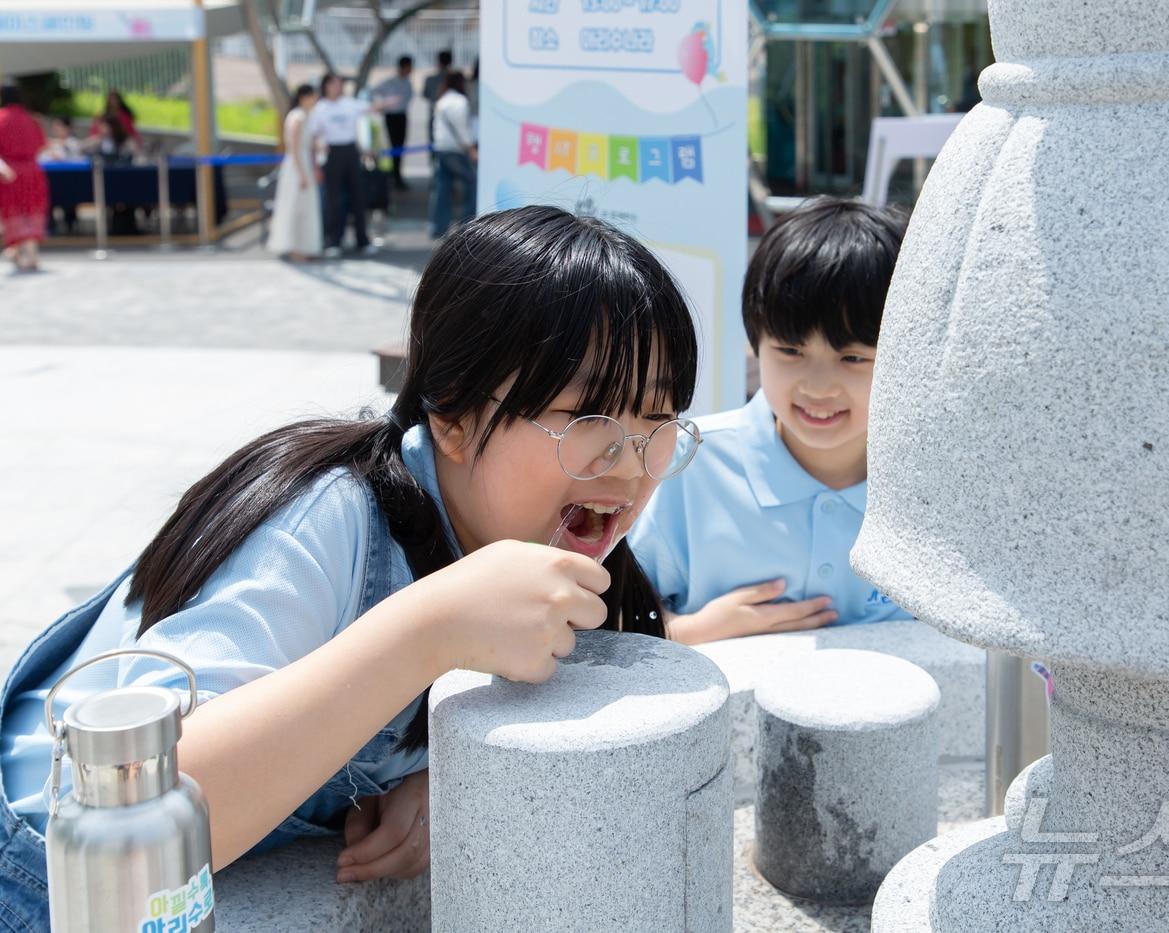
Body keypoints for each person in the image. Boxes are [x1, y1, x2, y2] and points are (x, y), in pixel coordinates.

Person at [0, 205, 703, 925]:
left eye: (657, 419)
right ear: (453, 418)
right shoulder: (329, 515)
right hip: (38, 881)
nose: (629, 460)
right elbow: (135, 816)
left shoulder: (544, 528)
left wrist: (448, 775)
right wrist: (430, 627)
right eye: (588, 416)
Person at [629, 197, 910, 645]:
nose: (819, 387)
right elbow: (609, 622)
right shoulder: (685, 464)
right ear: (756, 342)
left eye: (853, 357)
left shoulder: (931, 484)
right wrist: (686, 630)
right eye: (791, 351)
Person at [308, 73, 396, 258]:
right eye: (333, 84)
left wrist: (387, 102)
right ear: (325, 86)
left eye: (339, 84)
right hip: (332, 153)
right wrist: (316, 160)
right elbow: (314, 136)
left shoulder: (350, 103)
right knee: (333, 199)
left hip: (351, 151)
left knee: (358, 196)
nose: (337, 87)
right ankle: (333, 241)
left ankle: (362, 239)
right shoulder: (320, 108)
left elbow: (371, 108)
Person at [267, 84, 322, 261]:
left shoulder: (305, 116)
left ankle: (304, 246)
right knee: (295, 206)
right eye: (313, 96)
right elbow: (295, 148)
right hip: (297, 166)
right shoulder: (297, 117)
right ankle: (294, 247)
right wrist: (302, 174)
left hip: (303, 164)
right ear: (304, 97)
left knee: (305, 207)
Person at [0, 85, 51, 272]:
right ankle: (26, 252)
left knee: (14, 212)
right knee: (31, 211)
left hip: (10, 173)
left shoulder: (1, 117)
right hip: (33, 171)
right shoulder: (31, 119)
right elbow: (42, 146)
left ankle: (27, 254)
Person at [430, 70, 476, 239]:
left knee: (442, 189)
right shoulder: (460, 102)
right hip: (456, 151)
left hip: (441, 148)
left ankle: (438, 227)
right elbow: (462, 129)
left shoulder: (441, 100)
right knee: (471, 186)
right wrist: (471, 149)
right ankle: (466, 226)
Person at [375, 55, 413, 190]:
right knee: (392, 147)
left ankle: (397, 175)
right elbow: (374, 91)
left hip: (402, 116)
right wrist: (382, 105)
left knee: (400, 147)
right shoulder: (390, 82)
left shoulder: (408, 83)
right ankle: (392, 176)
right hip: (391, 117)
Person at [87, 89, 142, 155]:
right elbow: (94, 132)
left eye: (115, 99)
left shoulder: (125, 116)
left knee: (132, 145)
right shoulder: (101, 115)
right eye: (111, 100)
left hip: (121, 140)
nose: (113, 102)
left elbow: (131, 132)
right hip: (103, 140)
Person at [422, 49, 452, 158]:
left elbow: (425, 95)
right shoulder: (455, 79)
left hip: (434, 114)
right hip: (452, 116)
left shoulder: (430, 79)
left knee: (434, 144)